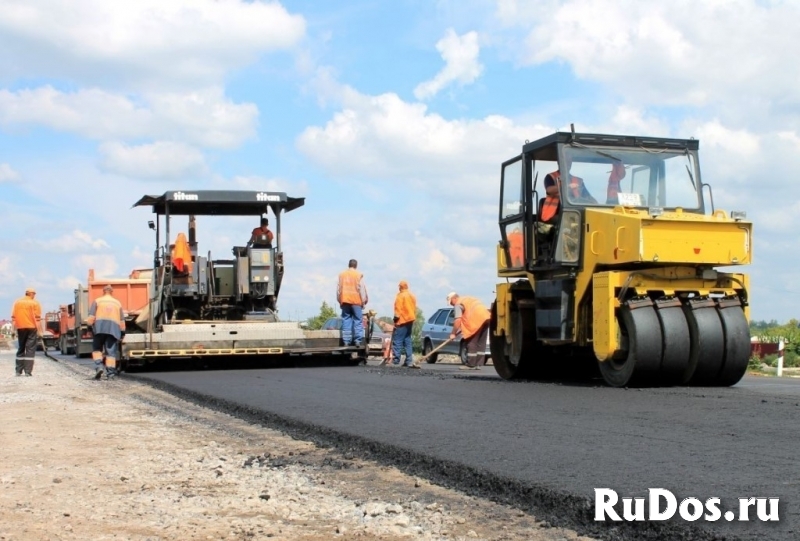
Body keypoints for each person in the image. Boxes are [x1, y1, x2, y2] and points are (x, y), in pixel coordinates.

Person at [540, 156, 597, 225]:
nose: (568, 164)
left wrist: (597, 205)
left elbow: (588, 197)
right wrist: (567, 187)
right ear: (559, 163)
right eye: (565, 162)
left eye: (569, 162)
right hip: (555, 213)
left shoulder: (578, 180)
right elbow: (549, 190)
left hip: (576, 212)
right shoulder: (551, 177)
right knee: (567, 222)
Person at [87, 285, 126, 380]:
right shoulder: (117, 303)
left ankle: (99, 367)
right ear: (112, 292)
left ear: (103, 292)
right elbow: (122, 320)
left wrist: (89, 328)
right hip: (113, 330)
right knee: (111, 353)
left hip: (99, 329)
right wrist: (122, 332)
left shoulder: (97, 301)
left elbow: (91, 316)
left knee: (97, 350)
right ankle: (110, 374)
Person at [446, 291, 490, 371]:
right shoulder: (467, 299)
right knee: (480, 342)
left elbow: (458, 320)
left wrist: (453, 333)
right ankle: (478, 364)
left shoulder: (458, 304)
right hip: (486, 317)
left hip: (475, 320)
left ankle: (471, 365)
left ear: (454, 298)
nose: (452, 305)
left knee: (471, 342)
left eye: (451, 302)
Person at [11, 287, 42, 376]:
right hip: (32, 328)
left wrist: (13, 329)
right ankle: (28, 372)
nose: (34, 296)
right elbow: (37, 319)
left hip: (20, 327)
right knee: (30, 349)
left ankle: (18, 371)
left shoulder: (17, 303)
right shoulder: (35, 303)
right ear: (31, 294)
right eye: (34, 294)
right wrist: (40, 332)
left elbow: (14, 317)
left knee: (21, 348)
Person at [337, 259, 368, 347]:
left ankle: (346, 341)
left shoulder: (342, 275)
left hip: (345, 301)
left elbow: (338, 290)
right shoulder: (358, 275)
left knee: (346, 320)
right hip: (356, 301)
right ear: (356, 266)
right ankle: (357, 341)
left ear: (348, 265)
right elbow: (361, 289)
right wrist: (363, 302)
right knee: (358, 320)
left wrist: (340, 300)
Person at [391, 280, 417, 367]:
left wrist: (395, 320)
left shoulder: (400, 296)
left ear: (400, 287)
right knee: (407, 340)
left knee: (398, 340)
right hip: (410, 320)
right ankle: (409, 361)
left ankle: (396, 360)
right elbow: (414, 308)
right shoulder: (412, 296)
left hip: (402, 320)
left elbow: (398, 309)